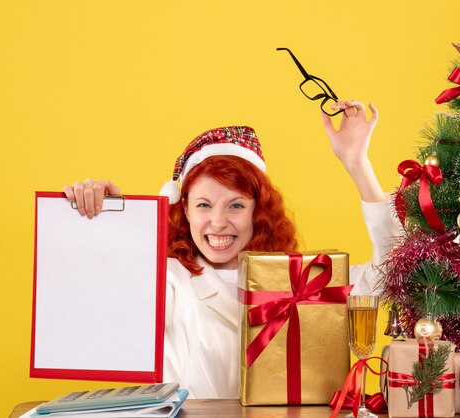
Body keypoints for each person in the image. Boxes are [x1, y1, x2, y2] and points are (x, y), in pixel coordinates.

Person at [63, 100, 401, 399]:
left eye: (236, 206)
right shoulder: (166, 278)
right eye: (204, 205)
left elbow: (394, 267)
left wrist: (357, 162)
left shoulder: (301, 283)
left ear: (259, 211)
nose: (218, 222)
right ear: (185, 211)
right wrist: (102, 220)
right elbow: (96, 301)